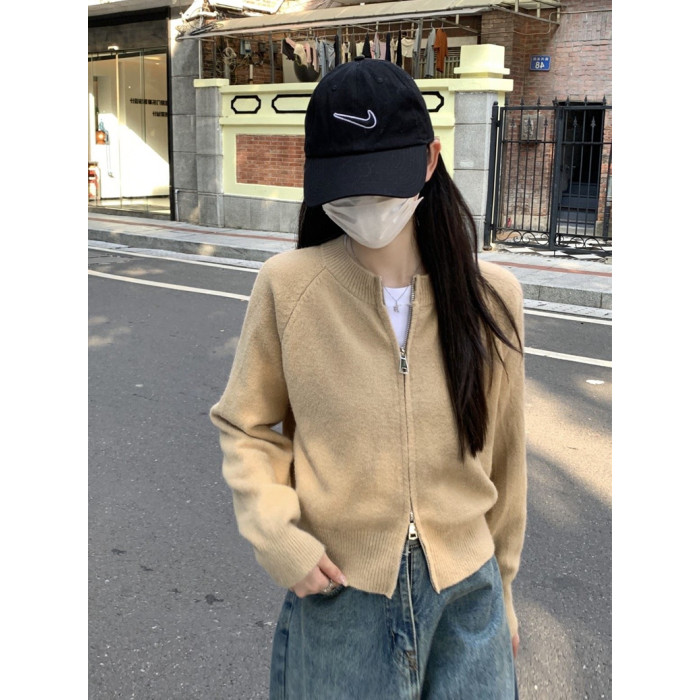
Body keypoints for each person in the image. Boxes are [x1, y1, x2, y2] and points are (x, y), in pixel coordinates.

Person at [210, 55, 527, 699]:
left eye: (382, 185)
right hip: (340, 595)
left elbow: (505, 457)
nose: (366, 206)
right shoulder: (288, 287)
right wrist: (279, 539)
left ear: (430, 162)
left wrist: (506, 590)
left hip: (469, 598)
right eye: (347, 189)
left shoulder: (492, 298)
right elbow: (245, 426)